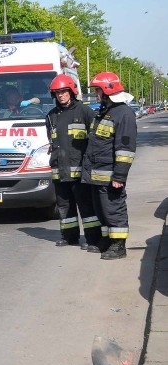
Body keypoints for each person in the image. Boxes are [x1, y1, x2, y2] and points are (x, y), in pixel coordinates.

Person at [82, 72, 137, 260]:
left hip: (111, 175)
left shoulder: (124, 114)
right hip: (97, 175)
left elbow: (125, 149)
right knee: (102, 210)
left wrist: (119, 177)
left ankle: (119, 245)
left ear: (107, 90)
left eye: (98, 90)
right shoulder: (105, 112)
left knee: (114, 210)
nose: (96, 94)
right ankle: (107, 240)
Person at [45, 74, 100, 251]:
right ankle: (70, 237)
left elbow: (96, 140)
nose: (61, 95)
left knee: (86, 207)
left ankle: (93, 239)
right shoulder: (51, 116)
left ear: (71, 91)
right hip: (59, 171)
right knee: (64, 207)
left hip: (80, 172)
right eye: (57, 93)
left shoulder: (85, 112)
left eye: (63, 91)